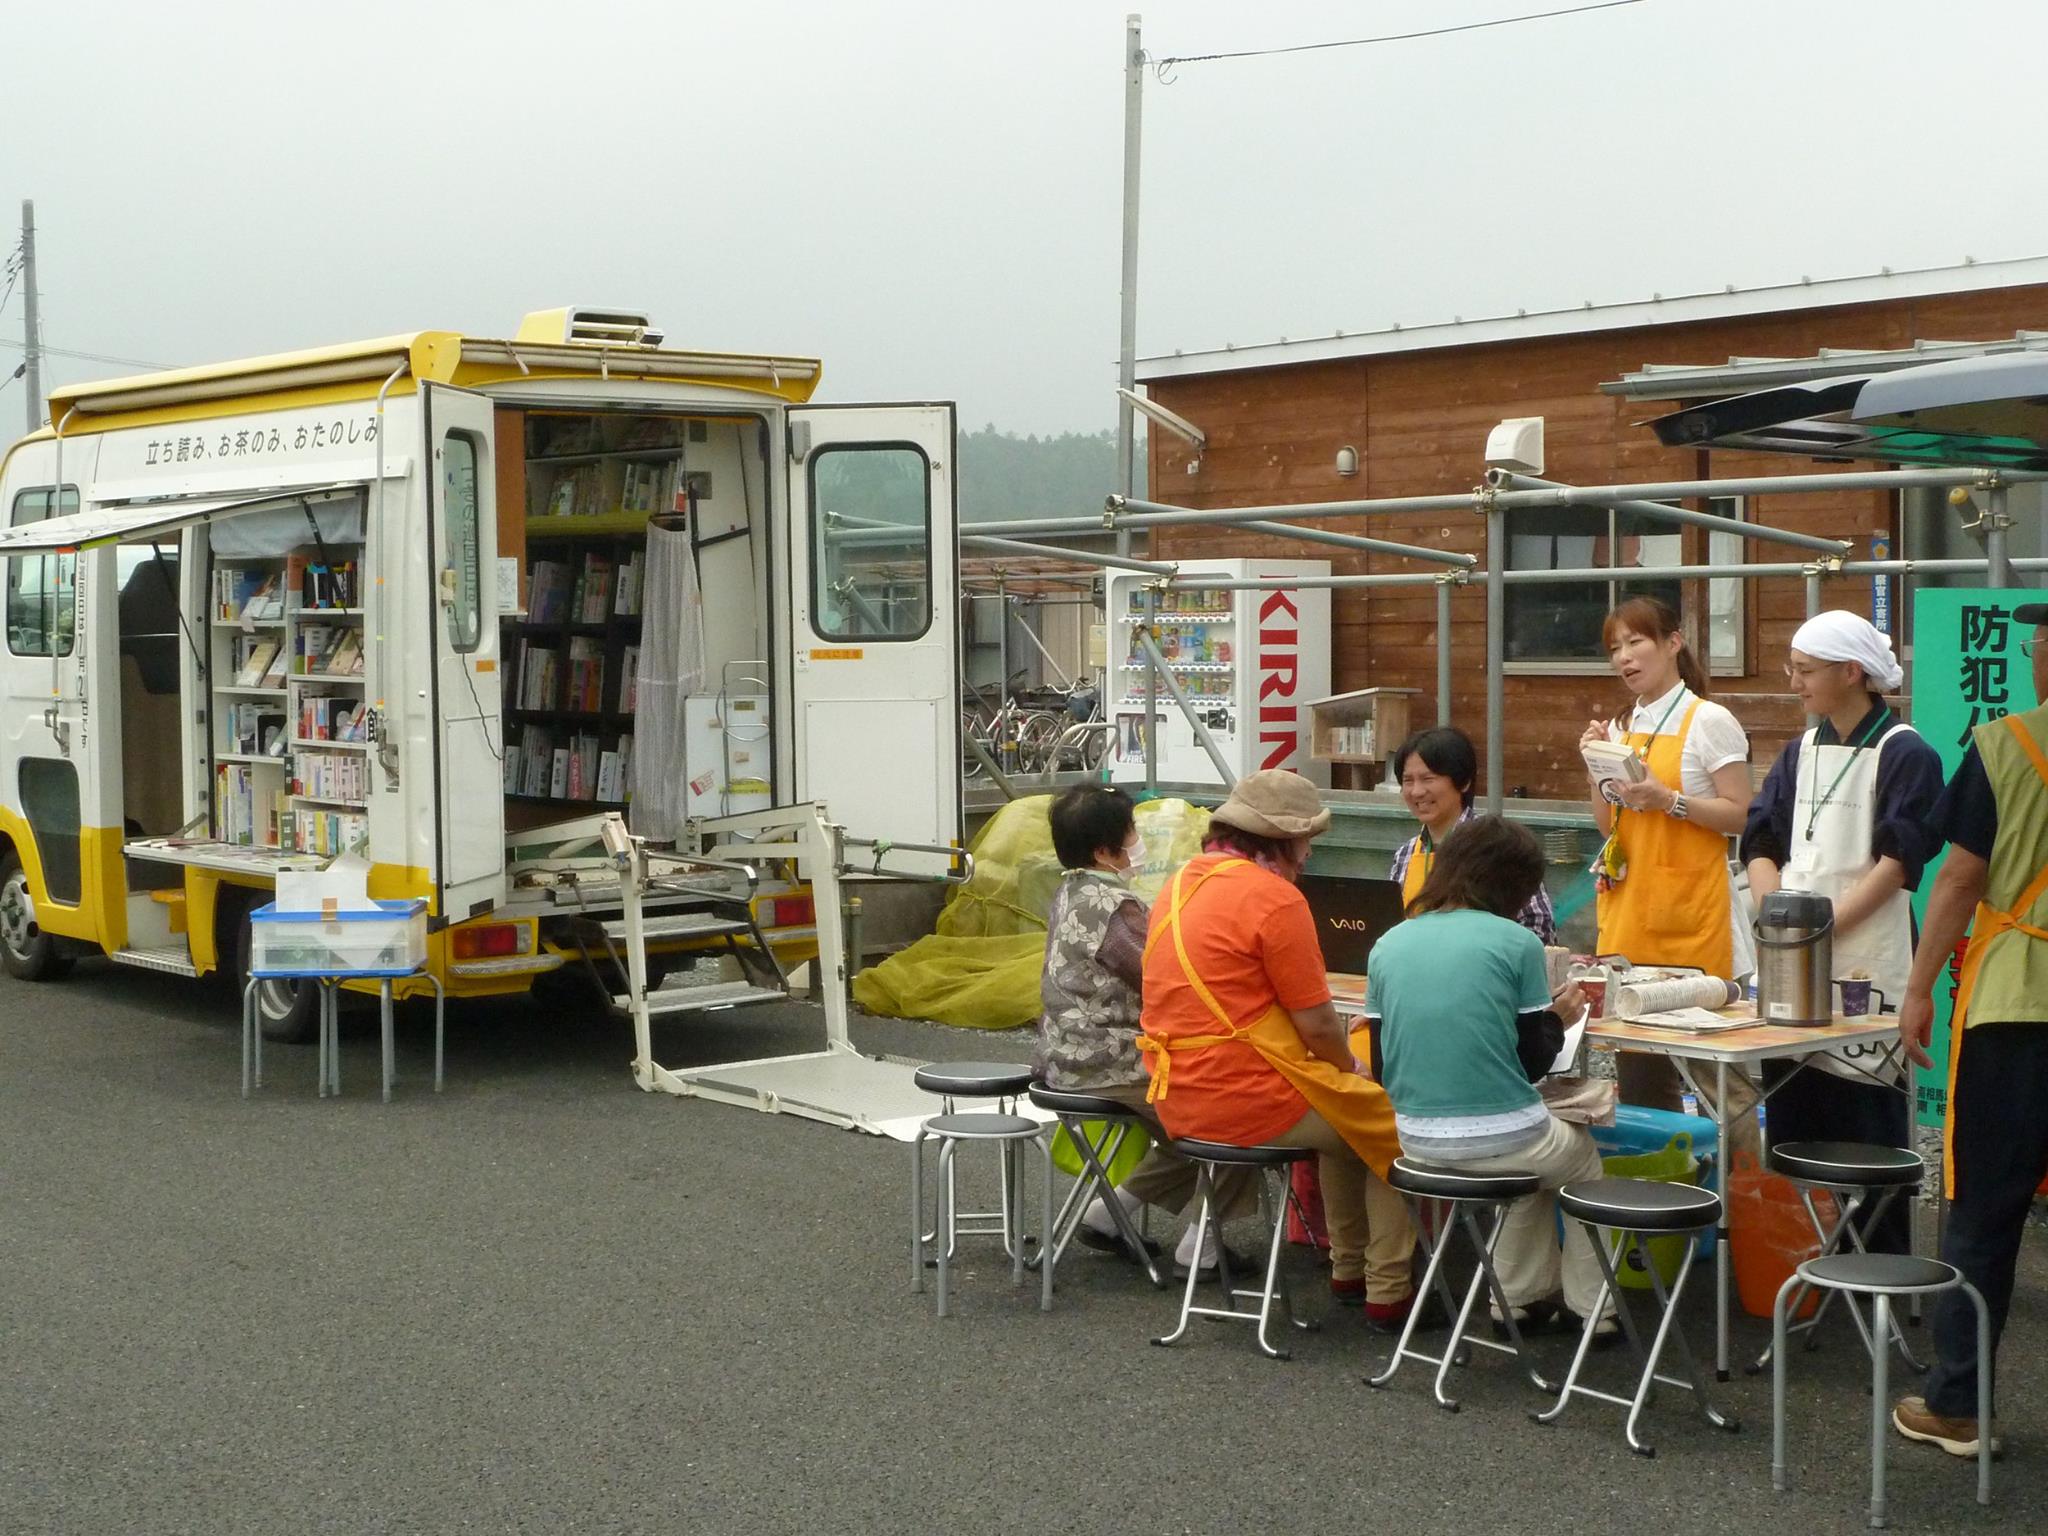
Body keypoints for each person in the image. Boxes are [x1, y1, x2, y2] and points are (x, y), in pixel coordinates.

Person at [1137, 770, 1416, 1329]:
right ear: (1284, 841)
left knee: (1346, 1125)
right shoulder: (1274, 897)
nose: (1310, 851)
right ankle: (1387, 1289)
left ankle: (1348, 1268)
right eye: (1307, 838)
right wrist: (1351, 1067)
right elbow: (1315, 1024)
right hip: (1249, 1099)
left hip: (1178, 1093)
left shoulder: (1180, 883)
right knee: (1393, 1130)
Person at [1892, 601, 2048, 1459]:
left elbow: (1957, 880)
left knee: (1985, 1211)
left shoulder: (2005, 745)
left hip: (2015, 1010)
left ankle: (1957, 1406)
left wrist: (1918, 989)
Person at [1740, 611, 1943, 1255]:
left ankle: (1878, 1271)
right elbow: (1761, 835)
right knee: (1797, 1112)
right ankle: (1804, 1261)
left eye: (1805, 670)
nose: (1794, 682)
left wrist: (1816, 927)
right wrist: (1779, 912)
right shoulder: (1800, 750)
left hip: (1867, 954)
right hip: (1793, 954)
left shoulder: (1905, 750)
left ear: (1850, 672)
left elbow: (1901, 861)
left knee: (1866, 1118)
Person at [1368, 815, 1613, 1334]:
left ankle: (1517, 1300)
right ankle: (1596, 1311)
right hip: (1503, 1138)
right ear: (1513, 885)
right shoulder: (1516, 942)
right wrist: (1558, 1017)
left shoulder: (1388, 944)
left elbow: (1383, 1063)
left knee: (1527, 1176)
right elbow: (1532, 1061)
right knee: (1580, 1161)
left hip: (1414, 1140)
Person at [1034, 785, 1256, 1275]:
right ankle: (1201, 1249)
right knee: (1234, 1118)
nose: (1139, 841)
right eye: (1131, 832)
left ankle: (1107, 1215)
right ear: (1103, 851)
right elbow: (1163, 973)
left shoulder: (1070, 890)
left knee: (1188, 1131)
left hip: (1063, 1057)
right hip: (1113, 1062)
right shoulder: (1116, 906)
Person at [1580, 595, 1756, 1112]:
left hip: (1694, 918)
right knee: (1641, 1077)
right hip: (1633, 915)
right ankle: (1661, 1183)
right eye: (1615, 648)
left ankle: (1741, 1188)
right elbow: (1608, 823)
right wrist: (1595, 763)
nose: (1624, 658)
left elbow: (1743, 814)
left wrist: (1671, 801)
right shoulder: (1620, 726)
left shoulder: (1709, 720)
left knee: (1718, 1081)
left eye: (1636, 642)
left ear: (1673, 643)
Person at [1390, 726, 1555, 941]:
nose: (1417, 791)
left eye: (1428, 779)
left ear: (1464, 781)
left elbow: (1540, 929)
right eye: (1408, 780)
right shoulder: (1405, 854)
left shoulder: (1495, 846)